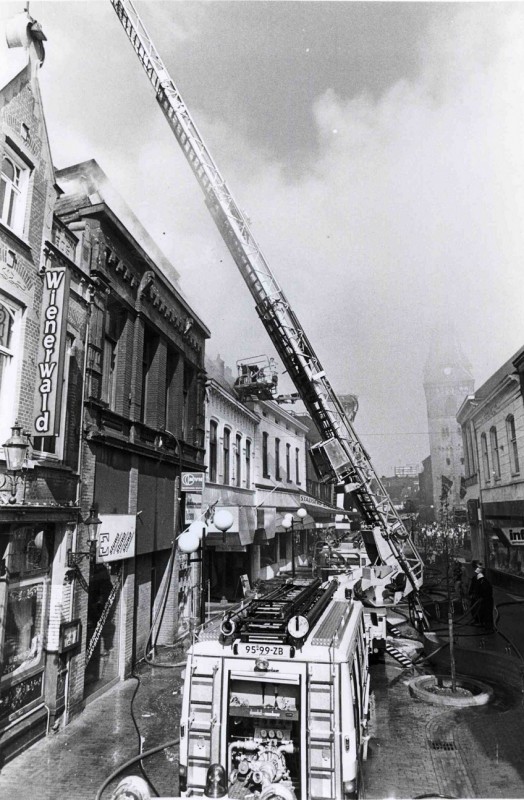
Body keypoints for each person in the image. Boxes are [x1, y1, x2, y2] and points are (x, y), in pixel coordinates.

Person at [476, 567, 494, 631]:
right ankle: (484, 624)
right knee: (483, 612)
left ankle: (489, 627)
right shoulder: (482, 581)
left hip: (487, 600)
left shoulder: (484, 582)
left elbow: (486, 591)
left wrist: (482, 597)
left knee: (487, 613)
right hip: (485, 600)